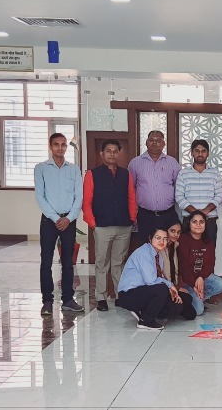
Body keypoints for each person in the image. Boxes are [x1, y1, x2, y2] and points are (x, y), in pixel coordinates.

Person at [84, 138, 138, 312]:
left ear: (119, 153)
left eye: (115, 151)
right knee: (101, 263)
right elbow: (86, 202)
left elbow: (131, 198)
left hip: (123, 225)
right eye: (108, 150)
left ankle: (120, 295)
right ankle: (101, 297)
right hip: (102, 226)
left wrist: (132, 219)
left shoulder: (125, 174)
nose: (112, 154)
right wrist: (93, 224)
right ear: (102, 153)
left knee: (118, 263)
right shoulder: (92, 174)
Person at [33, 131, 84, 316]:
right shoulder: (41, 168)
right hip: (49, 221)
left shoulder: (74, 169)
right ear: (50, 146)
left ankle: (68, 300)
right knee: (46, 262)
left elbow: (79, 196)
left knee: (68, 262)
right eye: (56, 144)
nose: (60, 148)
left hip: (69, 221)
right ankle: (47, 301)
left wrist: (69, 218)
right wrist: (56, 219)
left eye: (63, 144)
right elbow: (40, 197)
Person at [116, 228, 183, 330]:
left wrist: (170, 288)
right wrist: (170, 285)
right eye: (158, 238)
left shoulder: (158, 255)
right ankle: (146, 320)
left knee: (176, 306)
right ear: (150, 238)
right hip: (128, 295)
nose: (162, 241)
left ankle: (145, 311)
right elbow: (151, 281)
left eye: (165, 239)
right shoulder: (143, 253)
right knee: (161, 289)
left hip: (143, 291)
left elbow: (157, 278)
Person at [129, 130, 182, 237]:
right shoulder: (135, 163)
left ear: (163, 144)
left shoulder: (172, 163)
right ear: (146, 142)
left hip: (168, 214)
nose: (154, 143)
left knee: (169, 247)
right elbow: (131, 189)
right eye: (151, 140)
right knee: (146, 245)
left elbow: (179, 186)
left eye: (158, 141)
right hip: (145, 215)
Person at [175, 138, 222, 244]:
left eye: (203, 151)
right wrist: (195, 214)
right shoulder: (183, 173)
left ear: (208, 153)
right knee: (187, 254)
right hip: (189, 220)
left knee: (209, 253)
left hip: (209, 220)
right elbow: (179, 197)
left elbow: (219, 196)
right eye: (197, 151)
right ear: (192, 153)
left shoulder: (215, 173)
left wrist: (204, 212)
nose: (200, 154)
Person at [180, 211, 222, 317]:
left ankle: (198, 298)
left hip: (200, 278)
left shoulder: (207, 241)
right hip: (186, 281)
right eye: (194, 222)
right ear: (189, 223)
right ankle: (188, 297)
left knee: (220, 284)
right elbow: (184, 267)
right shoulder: (183, 239)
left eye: (201, 222)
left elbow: (210, 263)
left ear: (205, 224)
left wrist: (201, 277)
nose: (198, 224)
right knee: (199, 311)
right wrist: (193, 285)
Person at [163, 221, 197, 321]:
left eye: (178, 232)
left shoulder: (176, 245)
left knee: (191, 313)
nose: (175, 235)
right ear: (166, 231)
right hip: (162, 288)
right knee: (177, 307)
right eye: (172, 231)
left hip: (173, 287)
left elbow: (180, 270)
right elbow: (158, 275)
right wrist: (177, 288)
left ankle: (172, 305)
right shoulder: (160, 247)